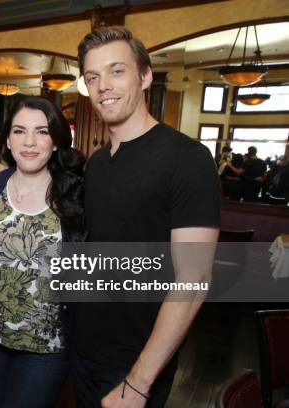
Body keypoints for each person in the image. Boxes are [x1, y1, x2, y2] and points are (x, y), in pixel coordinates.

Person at [72, 26, 220, 407]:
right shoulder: (98, 164)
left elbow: (194, 279)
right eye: (92, 76)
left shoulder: (186, 159)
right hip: (84, 352)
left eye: (117, 71)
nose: (103, 85)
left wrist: (138, 383)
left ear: (145, 75)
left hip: (134, 366)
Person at [0, 96, 86, 408]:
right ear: (7, 139)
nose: (30, 142)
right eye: (20, 131)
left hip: (46, 347)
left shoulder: (76, 193)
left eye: (42, 132)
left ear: (57, 140)